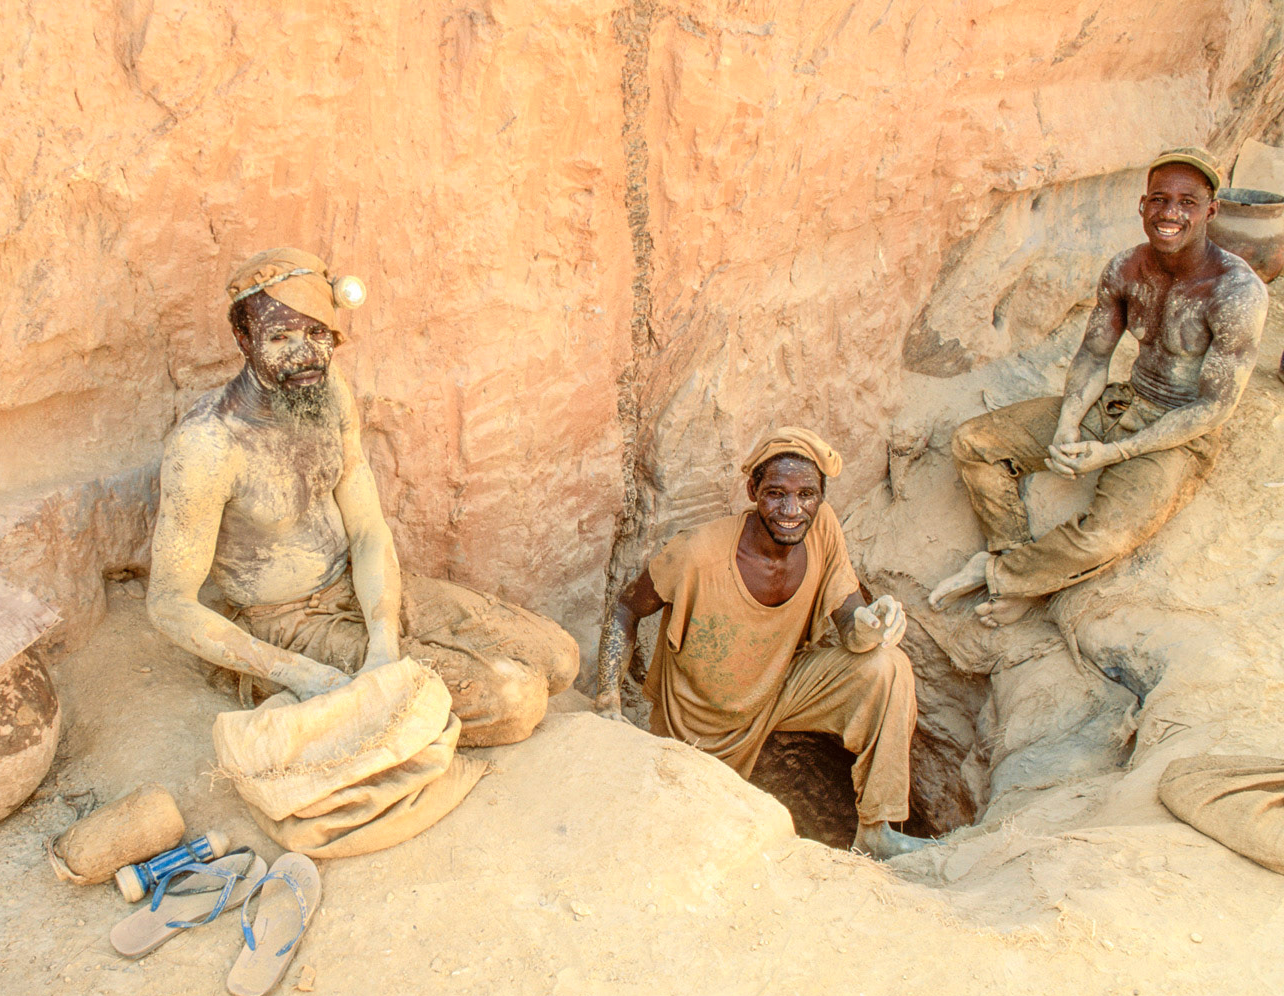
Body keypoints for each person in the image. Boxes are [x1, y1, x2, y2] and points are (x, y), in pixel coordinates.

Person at [147, 247, 578, 745]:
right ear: (243, 338)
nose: (304, 354)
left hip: (362, 584)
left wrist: (382, 641)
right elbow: (168, 603)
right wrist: (304, 676)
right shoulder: (209, 444)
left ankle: (385, 676)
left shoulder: (326, 391)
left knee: (560, 659)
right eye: (280, 337)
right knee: (515, 702)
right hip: (287, 622)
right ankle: (313, 694)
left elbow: (368, 530)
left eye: (316, 333)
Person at [930, 147, 1270, 626]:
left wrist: (1116, 454)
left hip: (1178, 434)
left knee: (1104, 538)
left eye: (1188, 202)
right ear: (1142, 205)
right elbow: (1093, 354)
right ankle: (1012, 554)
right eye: (1159, 199)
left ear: (1211, 211)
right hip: (1121, 403)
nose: (1170, 213)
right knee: (974, 442)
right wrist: (1069, 424)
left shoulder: (1236, 292)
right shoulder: (1126, 268)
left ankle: (1000, 576)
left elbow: (1213, 407)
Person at [595, 428, 934, 859]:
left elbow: (850, 620)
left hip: (778, 687)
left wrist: (868, 628)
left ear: (821, 496)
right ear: (753, 490)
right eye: (776, 493)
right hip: (702, 725)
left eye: (807, 495)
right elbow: (626, 609)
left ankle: (876, 830)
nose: (792, 510)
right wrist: (607, 698)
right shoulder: (697, 552)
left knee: (887, 666)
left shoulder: (822, 529)